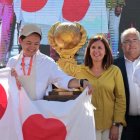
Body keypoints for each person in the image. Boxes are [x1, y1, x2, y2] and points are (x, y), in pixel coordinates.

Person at [6, 23, 93, 100]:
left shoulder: (46, 62)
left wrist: (82, 82)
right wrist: (10, 78)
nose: (32, 47)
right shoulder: (12, 62)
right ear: (20, 41)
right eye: (29, 43)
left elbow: (62, 79)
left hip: (36, 112)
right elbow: (5, 88)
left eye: (36, 44)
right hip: (15, 113)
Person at [75, 35, 126, 140]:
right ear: (88, 51)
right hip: (87, 125)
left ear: (106, 51)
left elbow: (121, 99)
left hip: (111, 126)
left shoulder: (115, 71)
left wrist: (116, 124)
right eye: (93, 47)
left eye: (100, 48)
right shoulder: (80, 71)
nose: (96, 50)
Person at [114, 27, 140, 140]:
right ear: (122, 45)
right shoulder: (114, 66)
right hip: (126, 122)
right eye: (127, 41)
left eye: (134, 40)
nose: (131, 43)